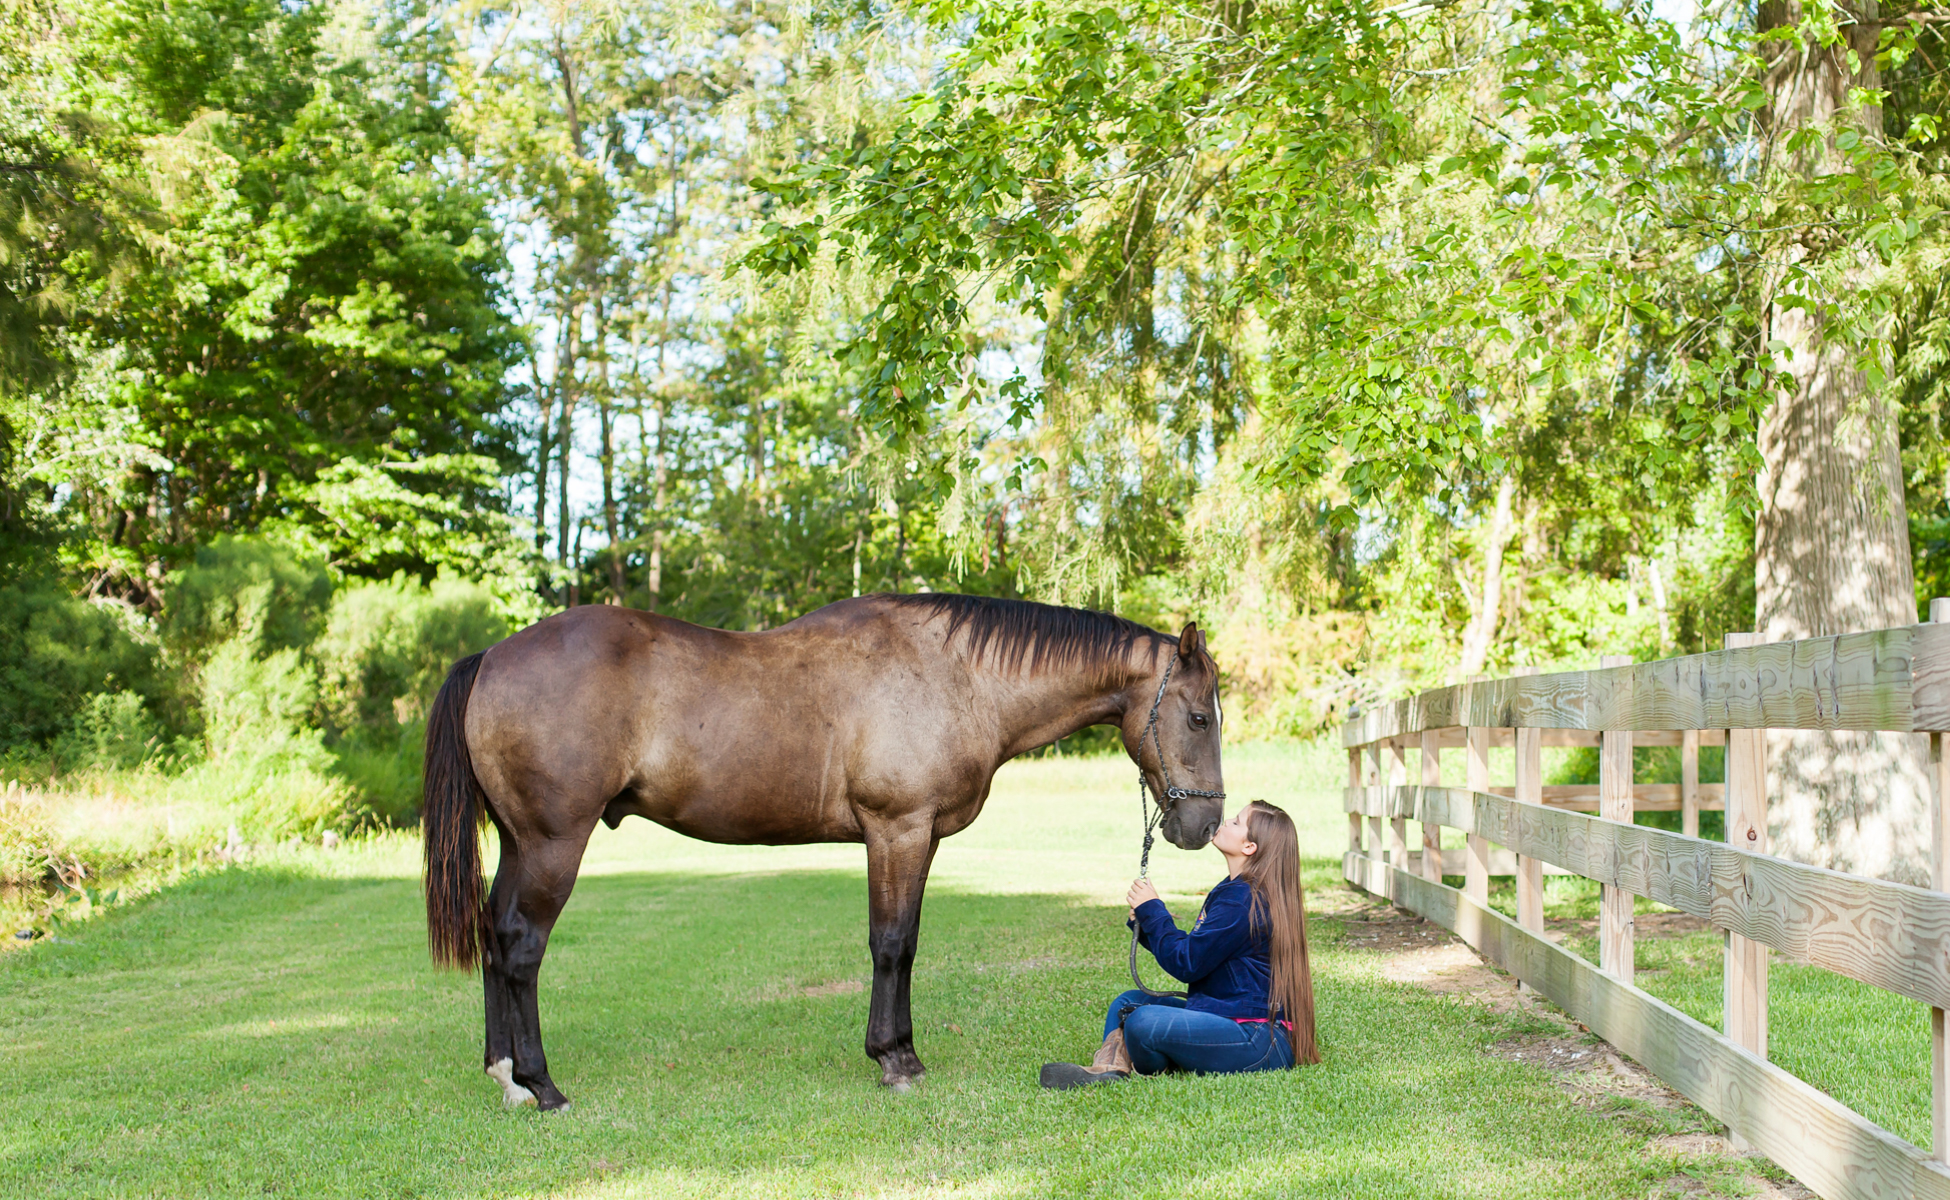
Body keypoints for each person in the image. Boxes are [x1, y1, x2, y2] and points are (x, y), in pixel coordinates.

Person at [1039, 800, 1321, 1087]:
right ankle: (1110, 1068)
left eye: (1236, 822)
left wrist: (1153, 910)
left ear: (1249, 846)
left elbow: (1187, 963)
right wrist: (1148, 923)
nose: (1225, 821)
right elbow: (1200, 955)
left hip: (1257, 1039)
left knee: (1142, 1022)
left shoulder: (1243, 899)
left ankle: (1134, 1059)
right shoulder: (1238, 890)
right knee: (1127, 1002)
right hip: (1227, 1016)